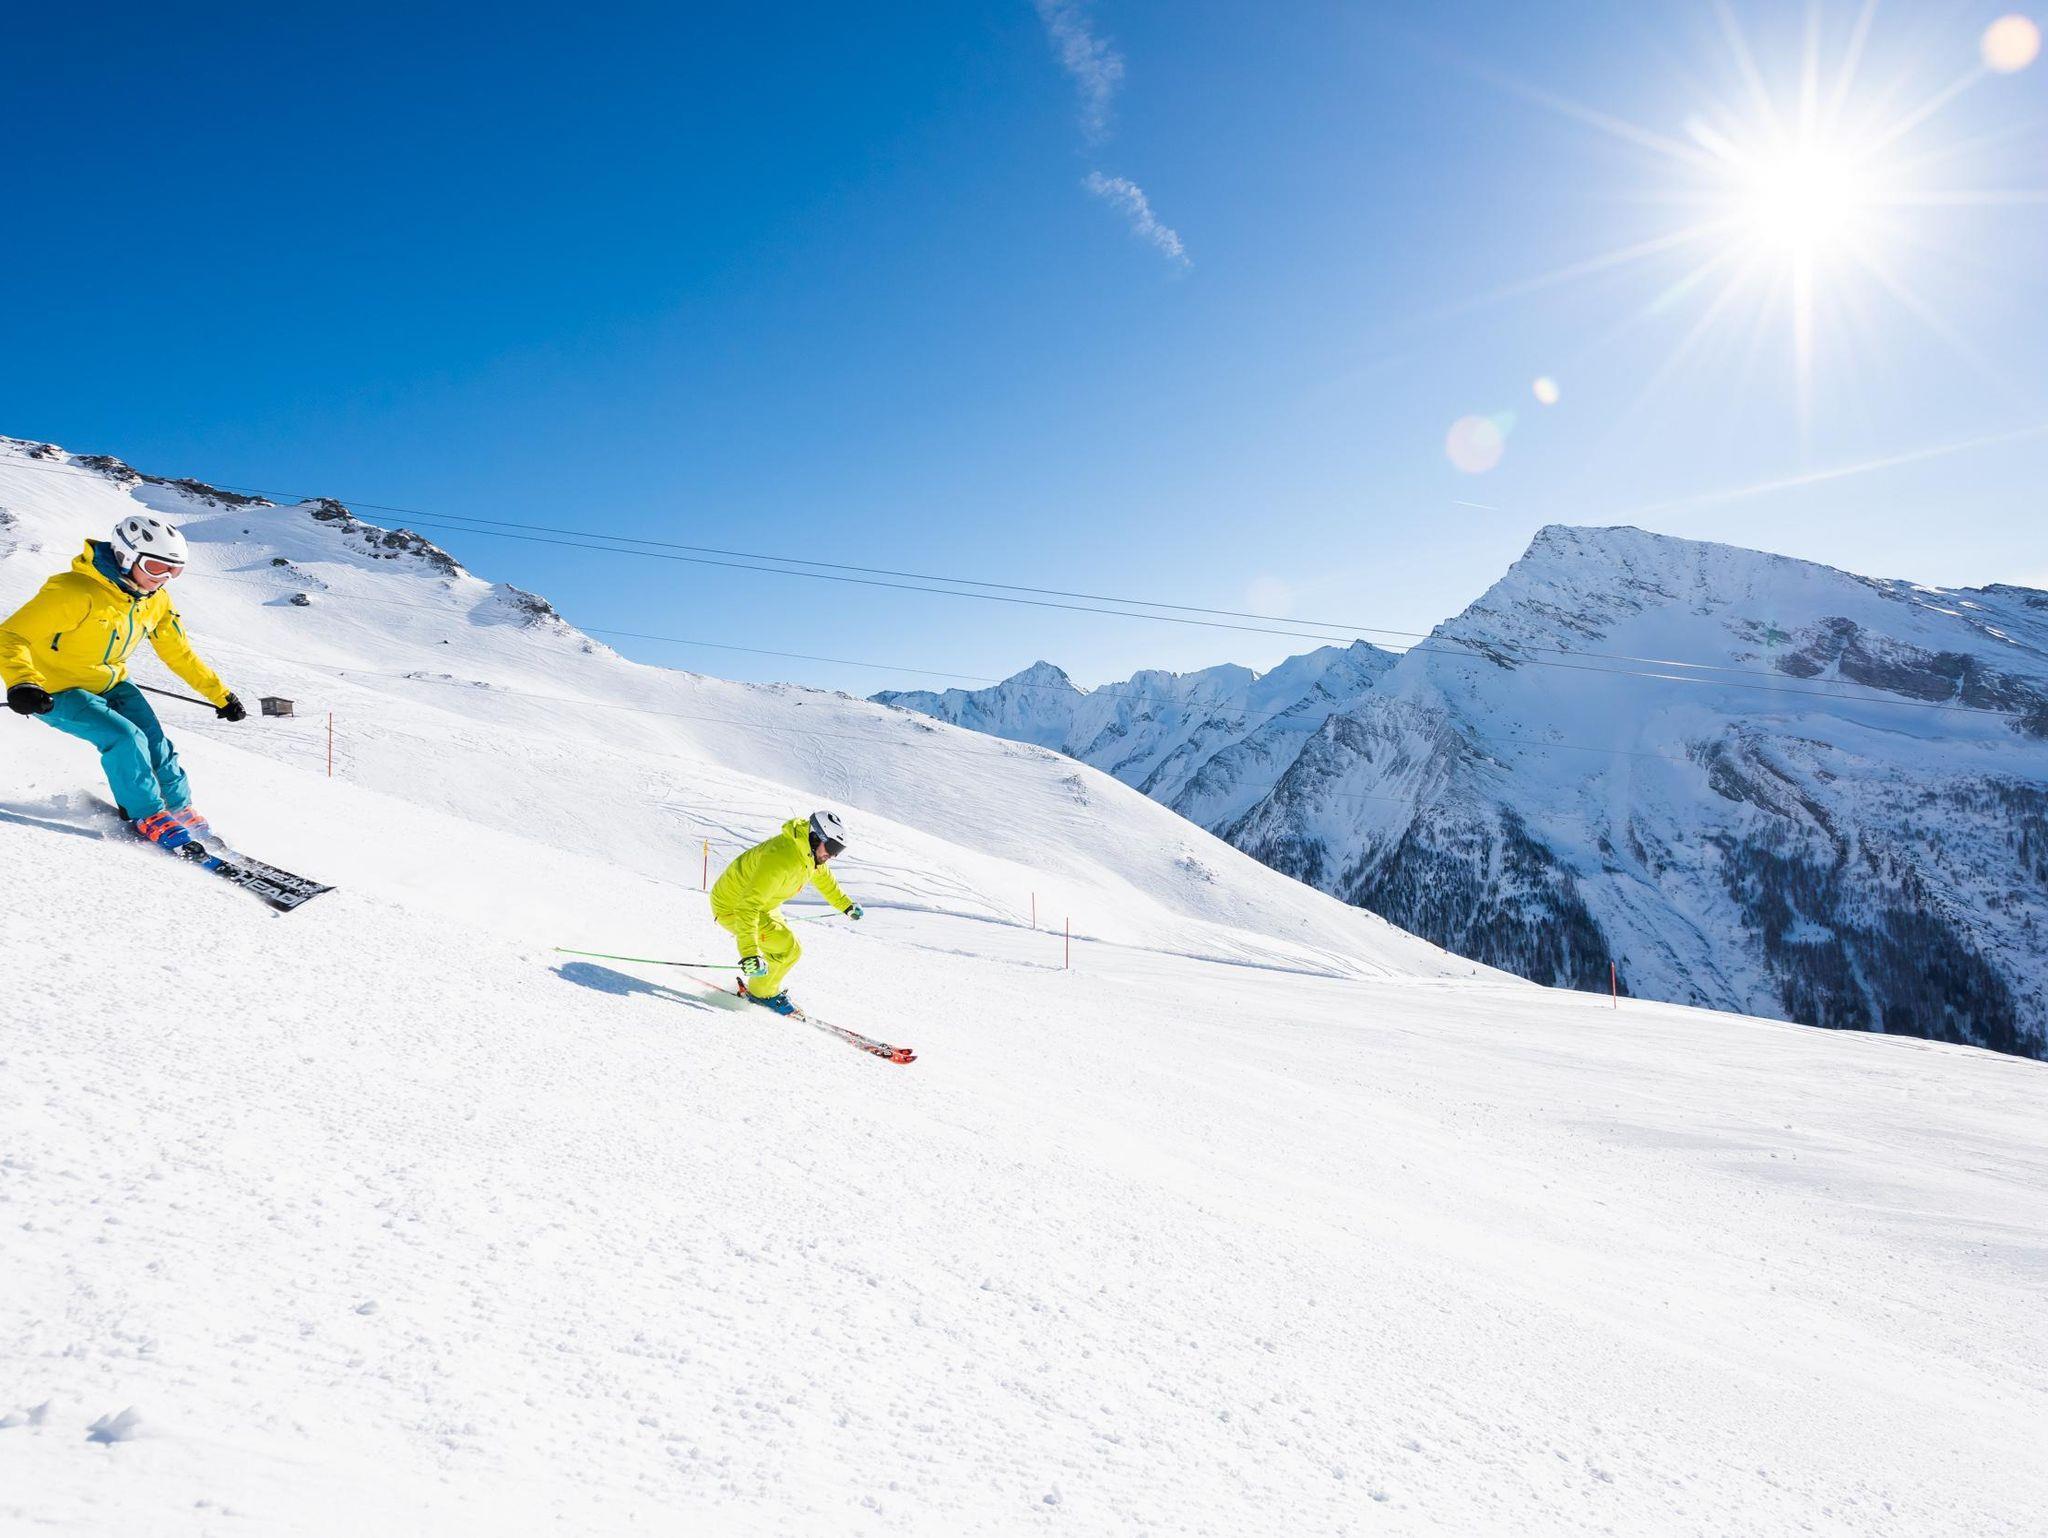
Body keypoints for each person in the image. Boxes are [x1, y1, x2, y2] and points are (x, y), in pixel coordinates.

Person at [0, 514, 245, 854]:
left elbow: (178, 653)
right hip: (54, 689)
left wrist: (221, 695)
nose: (164, 579)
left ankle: (177, 808)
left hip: (113, 683)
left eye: (174, 571)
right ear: (126, 556)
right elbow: (11, 635)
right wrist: (22, 683)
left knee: (155, 742)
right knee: (125, 738)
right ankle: (147, 814)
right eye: (157, 567)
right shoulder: (73, 591)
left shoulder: (155, 600)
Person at [710, 811, 864, 1015]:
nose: (833, 855)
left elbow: (825, 880)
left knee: (790, 950)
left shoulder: (808, 854)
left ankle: (764, 988)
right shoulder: (781, 859)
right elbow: (748, 906)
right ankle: (761, 993)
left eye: (839, 850)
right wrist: (749, 955)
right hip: (732, 907)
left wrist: (846, 905)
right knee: (786, 948)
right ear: (816, 836)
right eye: (833, 847)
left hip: (764, 906)